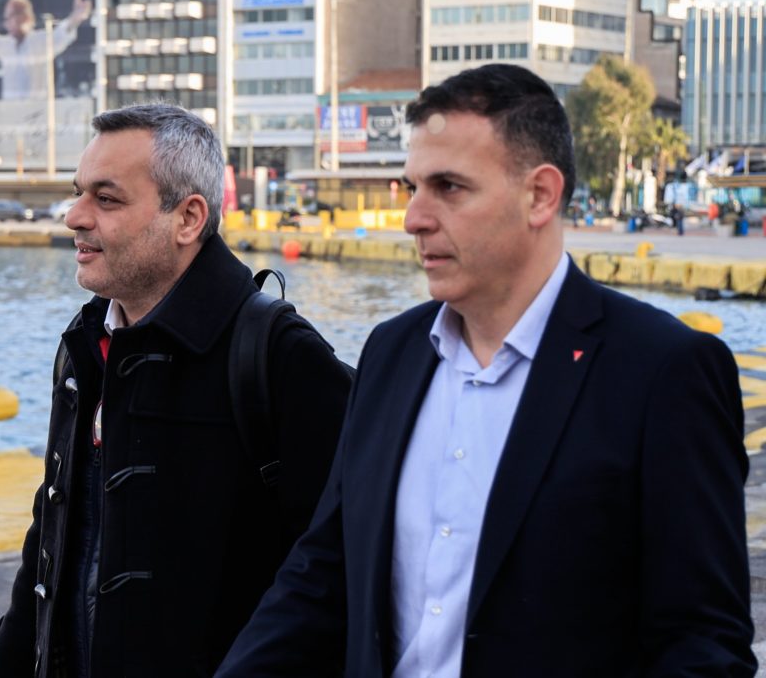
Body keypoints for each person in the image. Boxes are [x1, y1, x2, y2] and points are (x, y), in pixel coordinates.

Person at [217, 63, 755, 677]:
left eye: (448, 187)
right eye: (412, 187)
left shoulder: (663, 371)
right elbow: (323, 571)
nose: (414, 218)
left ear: (540, 195)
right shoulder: (391, 352)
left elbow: (703, 643)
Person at [0, 104, 353, 677]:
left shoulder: (278, 355)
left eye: (106, 199)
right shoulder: (85, 344)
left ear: (188, 218)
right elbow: (50, 541)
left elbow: (338, 569)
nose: (75, 217)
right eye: (79, 194)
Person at [0, 0, 92, 101]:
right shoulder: (6, 45)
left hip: (38, 115)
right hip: (11, 114)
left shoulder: (41, 41)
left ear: (26, 17)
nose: (8, 22)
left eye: (12, 16)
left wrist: (76, 17)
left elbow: (62, 33)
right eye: (7, 18)